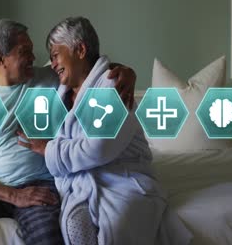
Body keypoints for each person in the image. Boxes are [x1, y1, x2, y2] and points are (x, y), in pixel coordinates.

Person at [0, 19, 137, 245]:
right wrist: (13, 195)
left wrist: (124, 71)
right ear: (0, 59)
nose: (34, 57)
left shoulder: (47, 79)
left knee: (47, 236)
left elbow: (85, 66)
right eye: (24, 52)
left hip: (40, 185)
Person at [17, 17, 167, 245]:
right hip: (81, 182)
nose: (52, 64)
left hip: (120, 179)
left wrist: (47, 149)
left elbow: (98, 147)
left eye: (56, 55)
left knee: (114, 226)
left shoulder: (114, 85)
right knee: (72, 223)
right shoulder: (61, 89)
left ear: (80, 50)